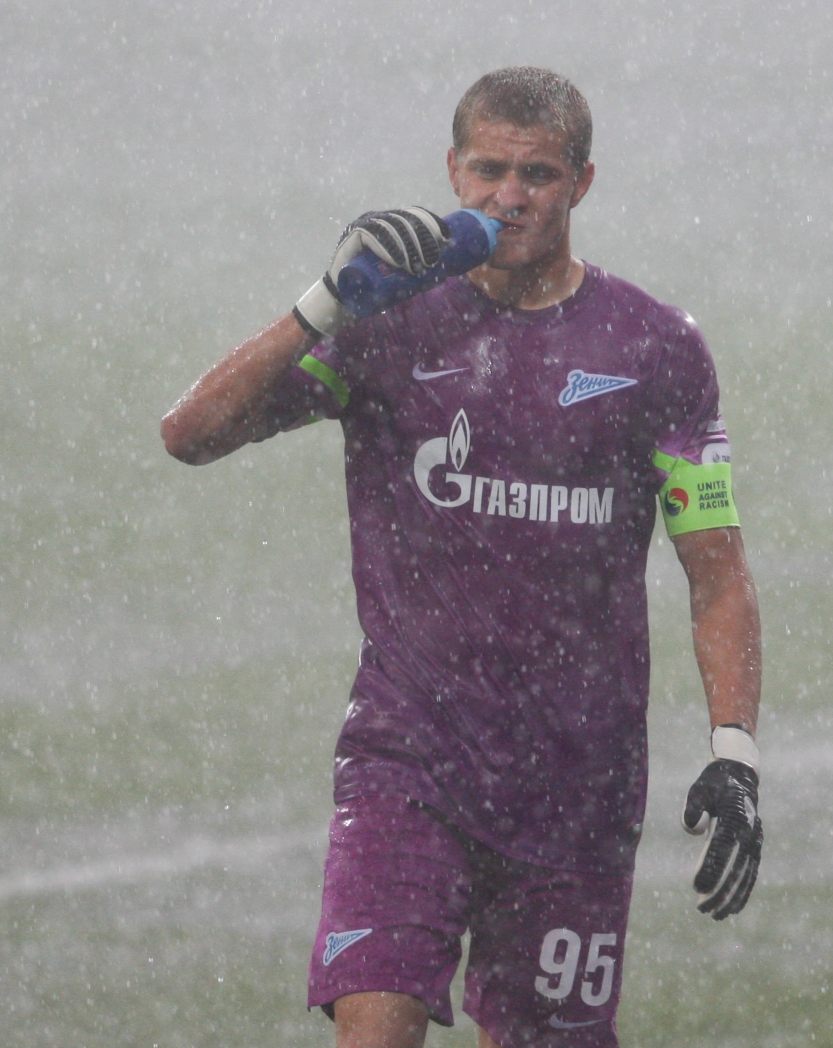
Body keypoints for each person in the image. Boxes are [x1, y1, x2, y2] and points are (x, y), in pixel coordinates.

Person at [161, 67, 763, 1048]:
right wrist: (322, 302)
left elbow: (718, 575)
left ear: (582, 183)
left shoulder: (654, 351)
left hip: (578, 780)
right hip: (410, 764)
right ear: (451, 169)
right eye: (488, 170)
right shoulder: (384, 325)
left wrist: (734, 751)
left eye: (537, 174)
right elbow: (189, 432)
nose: (508, 196)